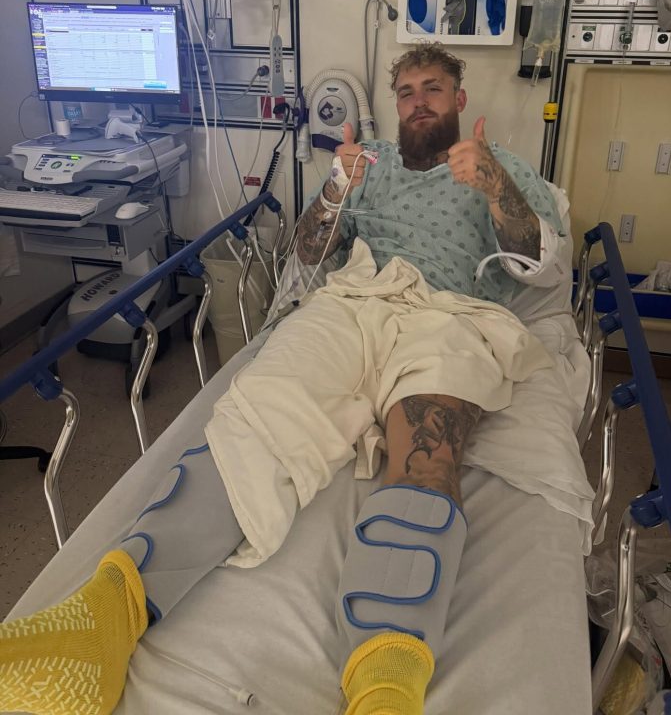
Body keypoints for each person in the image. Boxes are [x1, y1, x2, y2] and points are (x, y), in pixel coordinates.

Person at [0, 43, 573, 715]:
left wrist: (496, 186)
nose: (419, 101)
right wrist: (335, 189)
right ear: (396, 105)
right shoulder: (368, 165)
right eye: (408, 92)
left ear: (459, 100)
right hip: (354, 300)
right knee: (258, 412)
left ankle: (386, 683)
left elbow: (542, 267)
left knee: (429, 450)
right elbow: (308, 253)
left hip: (451, 313)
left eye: (433, 89)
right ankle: (105, 616)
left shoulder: (503, 168)